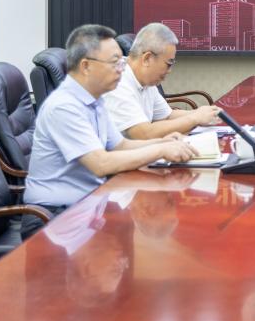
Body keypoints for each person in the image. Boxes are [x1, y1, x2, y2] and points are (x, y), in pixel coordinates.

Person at [23, 24, 198, 237]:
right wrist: (160, 151)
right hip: (52, 217)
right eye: (114, 63)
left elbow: (120, 145)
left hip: (86, 205)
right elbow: (101, 164)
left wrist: (164, 143)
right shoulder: (64, 106)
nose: (122, 69)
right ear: (86, 66)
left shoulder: (94, 101)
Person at [104, 22, 221, 139]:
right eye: (169, 64)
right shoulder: (117, 80)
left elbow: (167, 116)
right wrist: (194, 118)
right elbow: (143, 133)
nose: (169, 71)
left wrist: (202, 113)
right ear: (147, 58)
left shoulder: (146, 80)